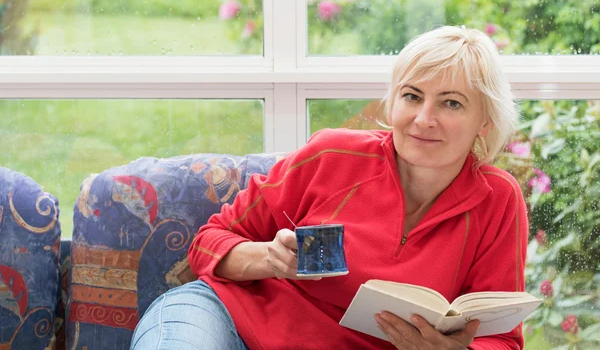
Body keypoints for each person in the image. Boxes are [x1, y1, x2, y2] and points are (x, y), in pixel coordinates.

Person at [130, 25, 528, 350]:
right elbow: (206, 243)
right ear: (392, 104)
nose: (424, 119)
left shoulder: (499, 199)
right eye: (412, 96)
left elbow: (503, 340)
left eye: (451, 103)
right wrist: (270, 258)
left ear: (485, 122)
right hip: (225, 322)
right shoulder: (332, 154)